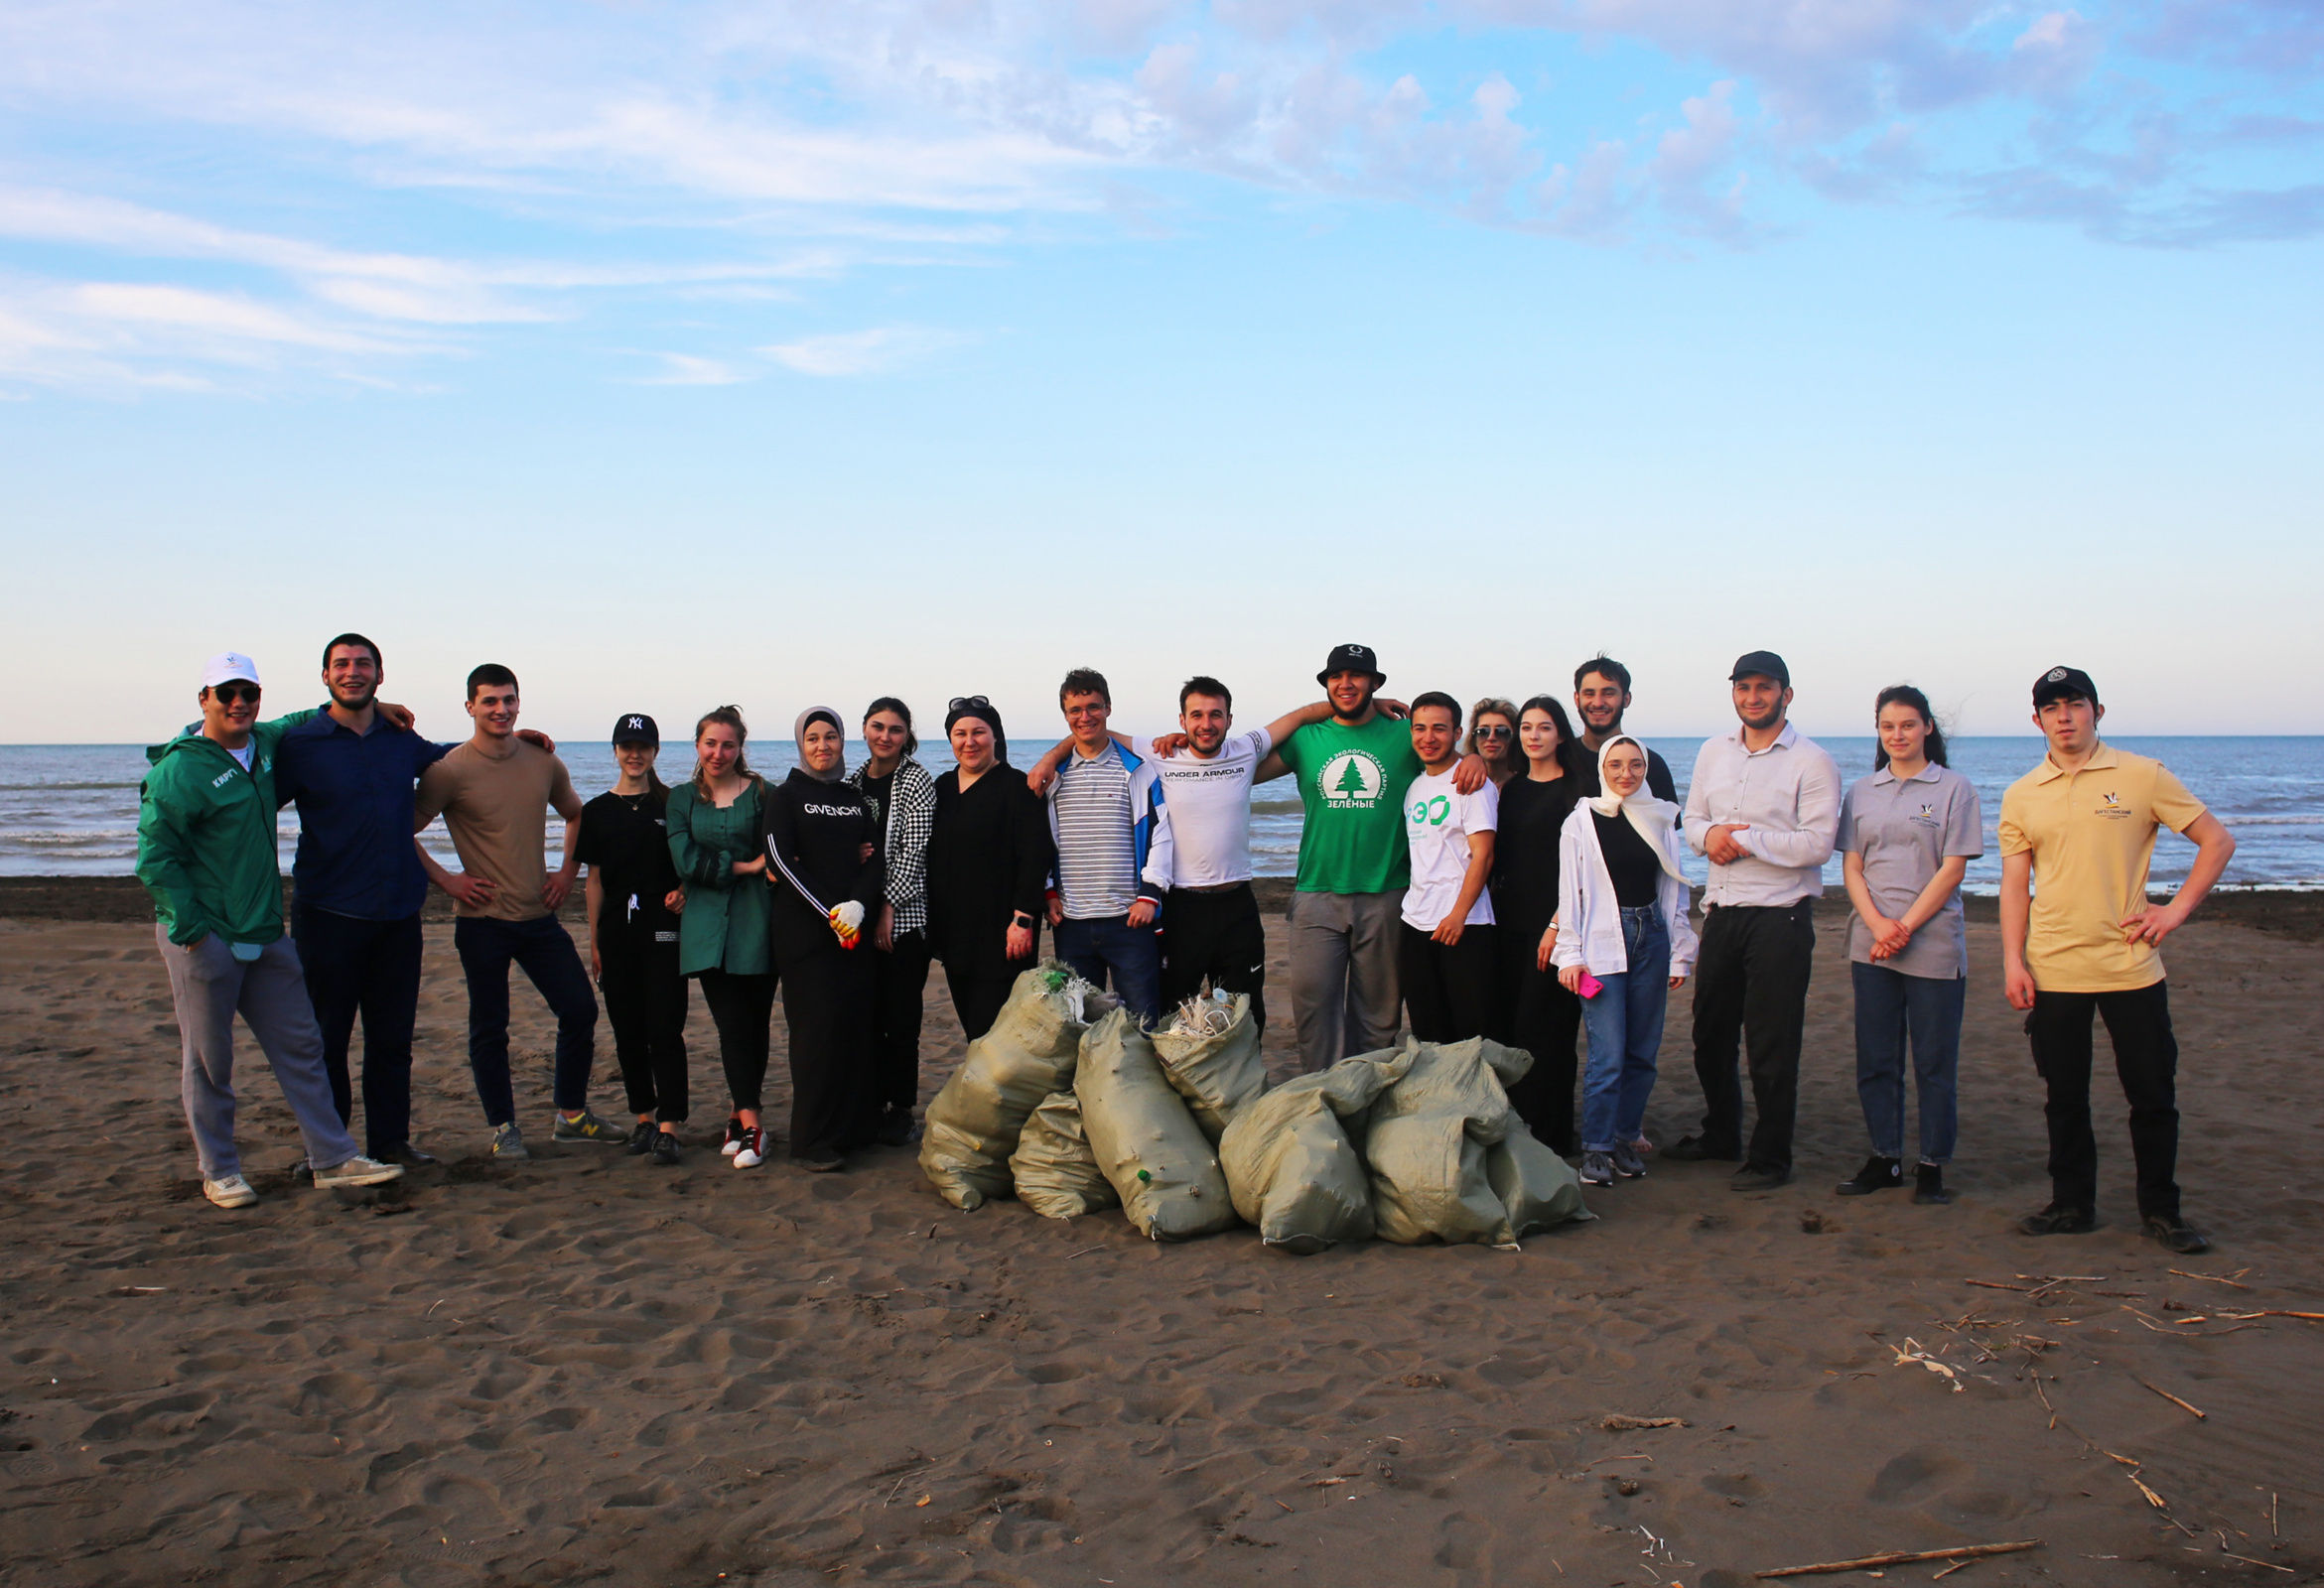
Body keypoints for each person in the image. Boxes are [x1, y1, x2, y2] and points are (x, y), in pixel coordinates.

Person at [138, 650, 404, 1207]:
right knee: (210, 1062)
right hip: (206, 937)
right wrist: (192, 932)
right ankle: (220, 1170)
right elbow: (156, 858)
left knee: (303, 1046)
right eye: (226, 694)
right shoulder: (179, 770)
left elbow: (313, 715)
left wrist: (376, 709)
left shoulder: (263, 746)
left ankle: (331, 1157)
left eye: (249, 694)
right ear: (204, 699)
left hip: (265, 933)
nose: (239, 704)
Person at [1999, 666, 2234, 1255]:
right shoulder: (2022, 793)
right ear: (2037, 720)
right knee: (2065, 1096)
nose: (2064, 716)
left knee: (2152, 1093)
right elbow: (2012, 885)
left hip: (2131, 967)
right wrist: (2013, 961)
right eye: (2052, 708)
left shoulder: (2142, 775)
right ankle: (2071, 1204)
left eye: (2075, 704)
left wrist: (2173, 912)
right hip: (2054, 968)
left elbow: (2217, 841)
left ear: (2097, 711)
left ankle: (2162, 1212)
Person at [1027, 677, 1334, 1033]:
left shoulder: (1246, 748)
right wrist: (1050, 758)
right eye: (1197, 715)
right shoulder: (1159, 754)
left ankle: (1239, 1084)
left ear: (1229, 719)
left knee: (1245, 1011)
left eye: (1216, 715)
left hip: (1238, 905)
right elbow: (1092, 733)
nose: (1207, 724)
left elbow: (1303, 715)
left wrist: (1370, 704)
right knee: (1174, 1011)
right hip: (1181, 907)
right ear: (1182, 720)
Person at [414, 665, 620, 1159]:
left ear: (519, 703)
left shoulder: (542, 760)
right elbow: (402, 829)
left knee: (580, 1009)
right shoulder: (448, 770)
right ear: (470, 707)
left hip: (537, 917)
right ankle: (504, 1127)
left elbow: (577, 815)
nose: (501, 709)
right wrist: (446, 880)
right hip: (481, 921)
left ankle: (570, 1115)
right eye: (489, 702)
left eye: (508, 700)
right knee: (490, 1027)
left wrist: (566, 873)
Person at [271, 632, 451, 1166]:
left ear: (380, 673)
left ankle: (390, 1142)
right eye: (342, 665)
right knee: (326, 1041)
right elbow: (249, 800)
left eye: (363, 664)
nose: (353, 672)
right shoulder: (300, 744)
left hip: (398, 913)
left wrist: (516, 741)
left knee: (392, 1041)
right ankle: (329, 1149)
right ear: (324, 676)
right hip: (327, 914)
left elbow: (458, 764)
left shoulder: (401, 739)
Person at [1670, 650, 1842, 1192]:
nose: (1752, 697)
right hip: (1721, 912)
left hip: (1781, 917)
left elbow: (1817, 845)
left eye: (1764, 688)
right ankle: (1722, 1134)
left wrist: (1740, 840)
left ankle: (1771, 1157)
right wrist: (1709, 837)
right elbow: (1692, 819)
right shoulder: (1711, 752)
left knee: (1771, 1041)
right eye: (1743, 688)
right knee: (1710, 1033)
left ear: (1786, 694)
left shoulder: (1812, 762)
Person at [1272, 644, 1483, 1071]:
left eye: (1357, 676)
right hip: (1316, 893)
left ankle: (1365, 1092)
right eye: (1336, 677)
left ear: (1376, 683)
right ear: (1326, 684)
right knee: (1314, 1007)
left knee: (1378, 1014)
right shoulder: (1305, 739)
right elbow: (1238, 765)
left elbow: (1441, 749)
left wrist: (1475, 755)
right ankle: (1323, 1094)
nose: (1346, 684)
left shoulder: (1402, 735)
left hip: (1388, 894)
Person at [1835, 686, 1982, 1205]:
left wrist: (1905, 927)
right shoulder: (1862, 791)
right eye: (1887, 727)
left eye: (1907, 725)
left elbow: (1954, 867)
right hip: (1870, 946)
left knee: (1934, 1064)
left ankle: (1932, 1165)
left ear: (1927, 728)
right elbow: (1851, 864)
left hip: (1934, 944)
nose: (1897, 735)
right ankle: (1885, 1158)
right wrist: (1877, 925)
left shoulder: (1953, 789)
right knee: (1877, 1060)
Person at [1555, 735, 1698, 1188]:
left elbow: (1673, 890)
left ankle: (1623, 1137)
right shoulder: (1582, 821)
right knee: (1608, 1054)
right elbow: (1571, 894)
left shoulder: (1660, 817)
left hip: (1651, 937)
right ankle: (1596, 1148)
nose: (1626, 773)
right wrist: (1570, 954)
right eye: (1616, 764)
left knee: (1643, 1053)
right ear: (1603, 768)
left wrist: (1679, 952)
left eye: (1636, 765)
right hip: (1603, 941)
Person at [764, 708, 887, 1170]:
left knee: (853, 1030)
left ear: (842, 742)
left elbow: (873, 858)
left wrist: (857, 905)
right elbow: (780, 860)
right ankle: (812, 1140)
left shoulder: (853, 798)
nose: (822, 746)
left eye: (830, 737)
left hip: (852, 931)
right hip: (806, 936)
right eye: (812, 738)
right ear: (801, 743)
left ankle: (852, 1130)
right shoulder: (786, 796)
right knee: (817, 1034)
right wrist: (832, 914)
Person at [666, 706, 778, 1169]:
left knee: (756, 1024)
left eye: (728, 744)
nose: (718, 753)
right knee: (731, 1024)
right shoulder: (681, 799)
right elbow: (684, 860)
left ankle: (737, 1114)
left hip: (759, 920)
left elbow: (780, 847)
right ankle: (753, 1125)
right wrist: (748, 866)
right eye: (710, 743)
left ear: (740, 748)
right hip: (706, 925)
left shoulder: (762, 793)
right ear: (697, 745)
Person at [577, 714, 689, 1166]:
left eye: (643, 746)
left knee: (665, 1029)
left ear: (656, 751)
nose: (635, 753)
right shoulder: (597, 810)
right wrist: (594, 941)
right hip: (617, 936)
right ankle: (644, 1118)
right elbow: (594, 881)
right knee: (628, 1033)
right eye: (627, 746)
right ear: (616, 751)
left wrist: (685, 891)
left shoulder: (674, 804)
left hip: (663, 933)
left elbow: (690, 863)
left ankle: (669, 1126)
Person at [1490, 695, 1592, 1152]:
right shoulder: (1511, 789)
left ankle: (1554, 1134)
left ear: (1560, 734)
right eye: (1526, 728)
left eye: (1544, 727)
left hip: (1556, 929)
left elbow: (1584, 870)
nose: (1533, 736)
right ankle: (1523, 1128)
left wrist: (1557, 927)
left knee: (1549, 1032)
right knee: (1514, 1031)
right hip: (1507, 927)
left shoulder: (1577, 793)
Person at [1037, 669, 1168, 1022]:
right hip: (1072, 923)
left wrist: (1149, 894)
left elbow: (1161, 835)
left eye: (1093, 707)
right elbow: (1040, 843)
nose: (1085, 717)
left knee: (1142, 1023)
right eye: (1075, 710)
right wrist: (1048, 892)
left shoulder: (1139, 771)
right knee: (1079, 1024)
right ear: (1065, 715)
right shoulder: (1053, 778)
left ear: (1108, 708)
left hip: (1129, 921)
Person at [927, 698, 1053, 1042]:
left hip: (1004, 934)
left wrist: (1024, 918)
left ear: (994, 735)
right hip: (954, 936)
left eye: (978, 732)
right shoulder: (940, 788)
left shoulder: (1018, 787)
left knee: (999, 1034)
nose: (970, 742)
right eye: (960, 733)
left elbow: (1035, 856)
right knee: (973, 1029)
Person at [849, 698, 937, 1146]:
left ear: (907, 736)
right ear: (865, 729)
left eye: (896, 729)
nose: (885, 736)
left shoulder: (917, 780)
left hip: (905, 920)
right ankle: (872, 1102)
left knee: (901, 1018)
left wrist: (886, 907)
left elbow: (913, 853)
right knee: (867, 1015)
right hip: (860, 920)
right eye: (878, 726)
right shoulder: (851, 782)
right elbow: (850, 846)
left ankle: (901, 1107)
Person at [1397, 694, 1500, 1042]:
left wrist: (1458, 914)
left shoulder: (1472, 783)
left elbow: (1483, 855)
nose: (1428, 738)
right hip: (1415, 921)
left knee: (1470, 1033)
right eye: (1420, 728)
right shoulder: (1414, 787)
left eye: (1439, 729)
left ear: (1457, 732)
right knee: (1428, 1031)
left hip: (1464, 924)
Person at [1572, 657, 1680, 803]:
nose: (1598, 703)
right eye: (1589, 694)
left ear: (1626, 699)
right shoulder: (1559, 759)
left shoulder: (1649, 765)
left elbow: (1668, 823)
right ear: (1577, 699)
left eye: (1608, 693)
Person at [1465, 698, 1522, 789]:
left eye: (1502, 731)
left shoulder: (1526, 787)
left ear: (1515, 738)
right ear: (1474, 739)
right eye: (1483, 732)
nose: (1491, 738)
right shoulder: (1461, 783)